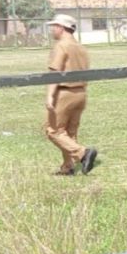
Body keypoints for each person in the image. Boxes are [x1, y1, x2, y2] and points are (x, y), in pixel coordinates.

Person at [43, 13, 97, 175]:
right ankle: (68, 167)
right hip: (80, 93)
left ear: (61, 28)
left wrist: (50, 95)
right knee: (69, 133)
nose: (52, 30)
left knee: (53, 130)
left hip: (65, 93)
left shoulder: (61, 46)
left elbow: (56, 72)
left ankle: (83, 153)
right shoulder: (80, 47)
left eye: (54, 26)